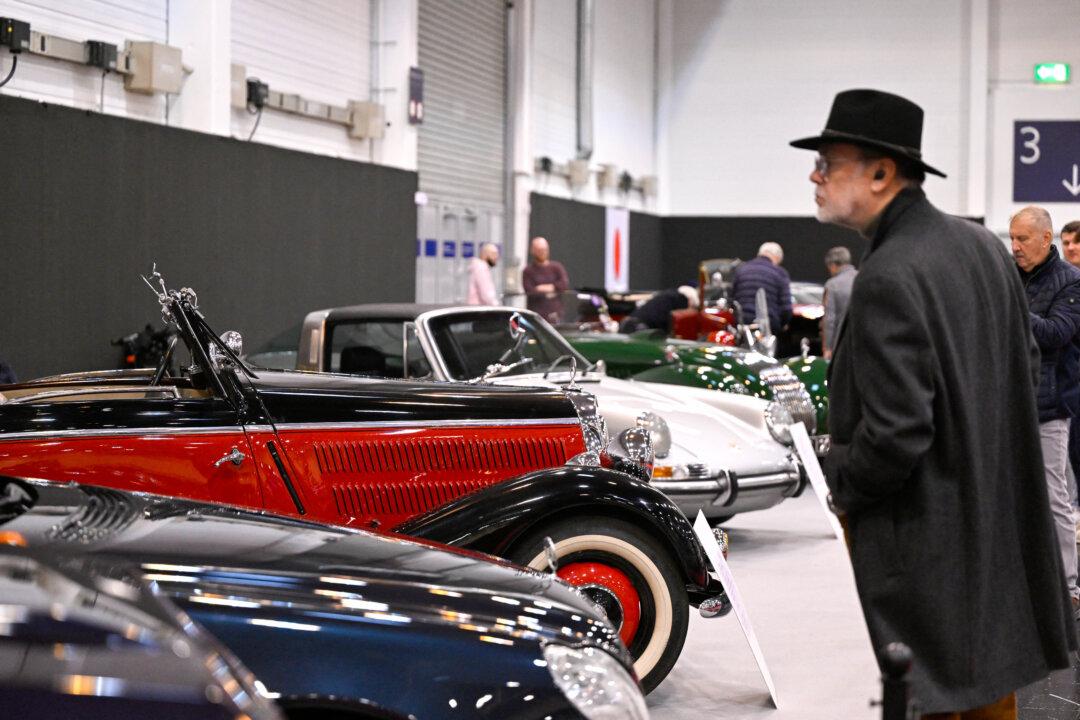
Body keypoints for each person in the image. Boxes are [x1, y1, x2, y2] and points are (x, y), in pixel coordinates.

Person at [791, 88, 1074, 719]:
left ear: (882, 173)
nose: (815, 175)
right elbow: (1024, 372)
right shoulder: (982, 248)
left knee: (937, 701)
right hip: (992, 538)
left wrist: (839, 482)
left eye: (829, 162)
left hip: (925, 559)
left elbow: (895, 435)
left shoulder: (890, 273)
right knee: (990, 698)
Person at [1010, 206, 1080, 610]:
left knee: (1054, 498)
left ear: (1045, 238)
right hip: (1008, 404)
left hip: (1049, 408)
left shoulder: (1071, 282)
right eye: (1012, 238)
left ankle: (1066, 587)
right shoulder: (1009, 276)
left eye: (1022, 239)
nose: (1015, 247)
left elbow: (1056, 334)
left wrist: (1011, 308)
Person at [730, 242, 791, 332]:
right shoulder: (780, 273)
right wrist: (781, 325)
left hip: (742, 324)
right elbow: (786, 309)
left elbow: (732, 299)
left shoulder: (742, 269)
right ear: (777, 258)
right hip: (769, 326)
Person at [522, 236, 570, 323]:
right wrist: (553, 289)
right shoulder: (528, 271)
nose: (543, 253)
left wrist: (543, 288)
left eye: (545, 250)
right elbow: (529, 290)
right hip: (536, 316)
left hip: (556, 315)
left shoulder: (556, 267)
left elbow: (564, 284)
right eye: (539, 250)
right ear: (533, 251)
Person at [820, 246, 856, 359]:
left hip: (841, 344)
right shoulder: (862, 277)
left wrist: (828, 348)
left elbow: (830, 320)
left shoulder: (832, 285)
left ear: (833, 265)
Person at [619, 286, 698, 334]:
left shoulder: (668, 295)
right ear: (690, 299)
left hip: (628, 323)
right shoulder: (681, 300)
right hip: (638, 328)